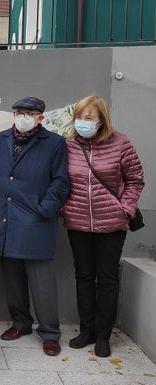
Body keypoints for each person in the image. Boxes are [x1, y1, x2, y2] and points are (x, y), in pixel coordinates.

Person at [61, 95, 144, 357]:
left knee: (107, 279)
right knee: (84, 277)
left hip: (112, 224)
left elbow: (135, 180)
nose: (83, 122)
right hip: (78, 223)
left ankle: (103, 336)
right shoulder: (69, 146)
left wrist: (126, 208)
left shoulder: (121, 143)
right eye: (79, 117)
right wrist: (64, 208)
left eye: (89, 117)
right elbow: (59, 180)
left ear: (101, 120)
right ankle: (86, 331)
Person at [0, 97, 69, 356]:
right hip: (5, 219)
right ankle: (21, 323)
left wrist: (44, 209)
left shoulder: (55, 143)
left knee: (42, 282)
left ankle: (50, 332)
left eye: (30, 113)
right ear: (13, 114)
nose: (24, 117)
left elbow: (60, 181)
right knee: (12, 278)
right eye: (20, 112)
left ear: (40, 118)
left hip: (35, 221)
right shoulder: (0, 140)